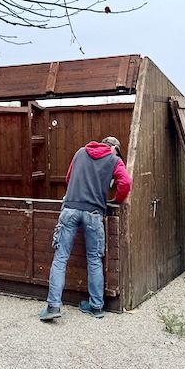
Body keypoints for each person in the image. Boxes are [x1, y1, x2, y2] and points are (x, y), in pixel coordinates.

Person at [40, 136, 132, 321]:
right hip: (94, 213)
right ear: (113, 148)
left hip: (70, 209)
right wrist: (117, 200)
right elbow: (126, 183)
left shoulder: (81, 153)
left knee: (60, 258)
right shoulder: (115, 160)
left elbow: (68, 178)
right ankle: (96, 307)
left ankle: (53, 306)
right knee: (94, 259)